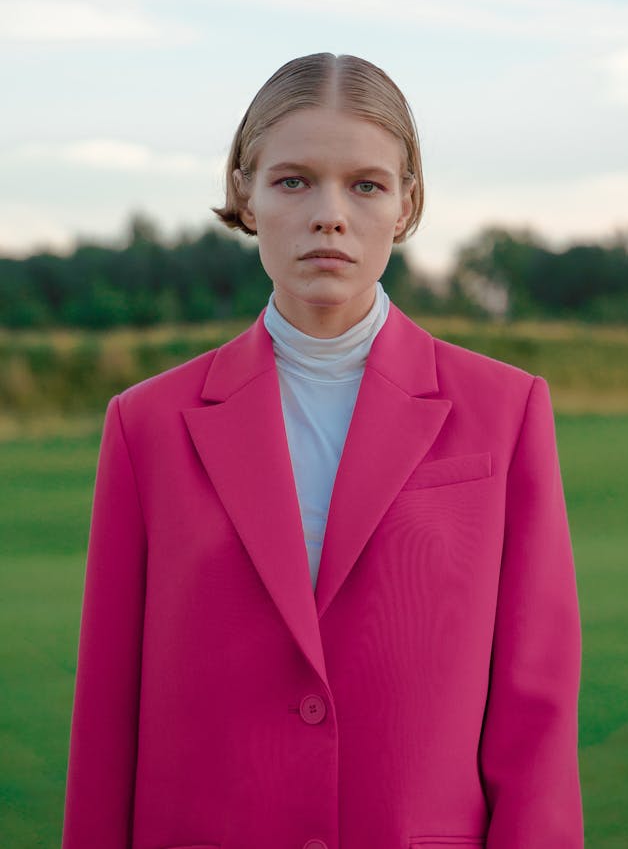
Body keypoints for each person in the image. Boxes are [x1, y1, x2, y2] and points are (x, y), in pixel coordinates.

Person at [61, 53, 584, 849]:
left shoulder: (506, 412)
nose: (329, 214)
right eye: (294, 180)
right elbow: (106, 719)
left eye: (366, 184)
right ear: (245, 191)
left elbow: (535, 714)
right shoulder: (147, 427)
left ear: (407, 203)